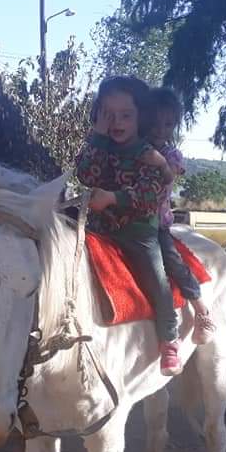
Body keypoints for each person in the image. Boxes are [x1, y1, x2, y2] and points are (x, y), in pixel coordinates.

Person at [74, 76, 182, 375]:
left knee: (157, 282)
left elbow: (150, 194)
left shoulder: (148, 153)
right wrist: (97, 134)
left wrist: (112, 197)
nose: (116, 122)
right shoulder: (101, 146)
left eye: (125, 115)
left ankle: (169, 339)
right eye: (109, 114)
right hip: (98, 229)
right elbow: (85, 173)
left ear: (141, 117)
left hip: (137, 233)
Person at [149, 87, 216, 345]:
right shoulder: (133, 148)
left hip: (155, 225)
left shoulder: (170, 154)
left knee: (173, 262)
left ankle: (201, 311)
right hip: (123, 220)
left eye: (167, 124)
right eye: (154, 123)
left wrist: (156, 161)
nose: (160, 129)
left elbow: (172, 171)